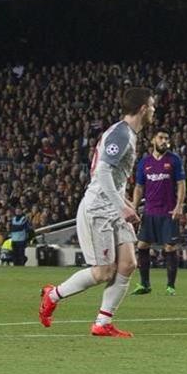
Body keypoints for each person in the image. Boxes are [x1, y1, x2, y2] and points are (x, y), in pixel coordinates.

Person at [39, 87, 154, 338]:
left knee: (128, 264)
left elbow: (112, 178)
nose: (154, 111)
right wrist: (122, 205)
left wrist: (124, 203)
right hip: (99, 209)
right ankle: (52, 294)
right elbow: (101, 173)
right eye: (152, 106)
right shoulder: (121, 134)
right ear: (143, 109)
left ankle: (102, 323)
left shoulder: (128, 134)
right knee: (104, 272)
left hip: (113, 207)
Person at [131, 130, 186, 296]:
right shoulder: (144, 162)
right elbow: (139, 187)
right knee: (142, 245)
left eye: (167, 138)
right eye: (161, 138)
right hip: (149, 211)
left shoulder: (174, 160)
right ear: (153, 140)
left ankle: (170, 286)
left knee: (169, 247)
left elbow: (181, 184)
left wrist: (179, 206)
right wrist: (133, 208)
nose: (164, 141)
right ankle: (144, 284)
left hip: (168, 211)